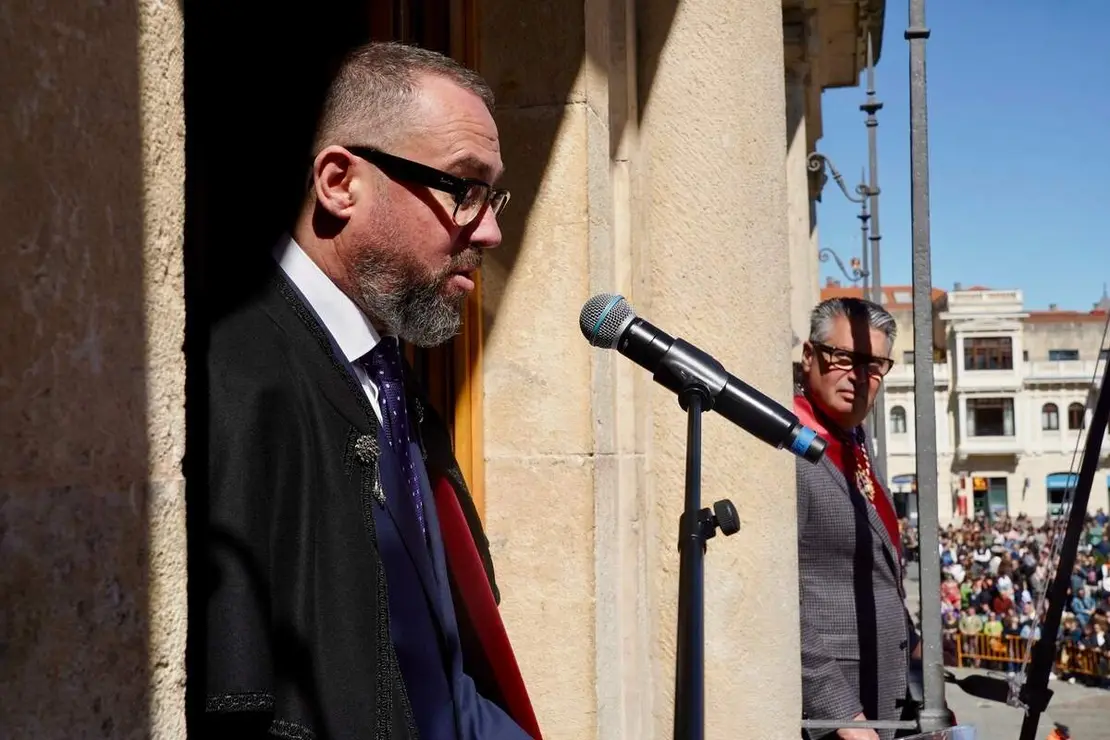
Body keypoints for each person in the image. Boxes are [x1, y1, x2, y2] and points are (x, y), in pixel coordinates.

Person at [199, 42, 540, 740]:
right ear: (338, 182)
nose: (493, 228)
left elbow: (440, 679)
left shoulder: (393, 383)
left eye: (494, 194)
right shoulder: (233, 377)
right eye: (463, 187)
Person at [793, 297, 920, 740]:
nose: (859, 375)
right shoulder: (789, 446)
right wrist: (841, 713)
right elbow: (780, 594)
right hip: (835, 714)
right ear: (810, 356)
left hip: (884, 690)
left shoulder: (856, 435)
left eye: (874, 364)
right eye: (843, 357)